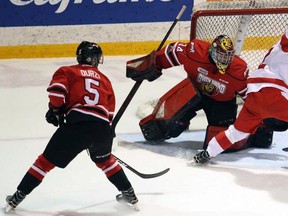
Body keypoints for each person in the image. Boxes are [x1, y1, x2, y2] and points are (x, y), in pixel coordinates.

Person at [4, 41, 139, 213]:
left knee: (44, 163)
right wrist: (100, 135)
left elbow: (57, 92)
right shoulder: (105, 79)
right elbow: (109, 112)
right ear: (94, 59)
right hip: (102, 129)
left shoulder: (67, 71)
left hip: (77, 127)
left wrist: (55, 109)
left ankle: (17, 197)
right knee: (105, 161)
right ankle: (130, 195)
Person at [127, 34, 273, 152]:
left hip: (221, 104)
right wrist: (152, 64)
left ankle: (254, 136)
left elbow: (250, 96)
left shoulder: (238, 70)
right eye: (222, 57)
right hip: (192, 91)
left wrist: (264, 115)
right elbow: (171, 53)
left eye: (229, 57)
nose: (226, 61)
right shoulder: (195, 51)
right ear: (213, 52)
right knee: (157, 130)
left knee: (219, 143)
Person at [192, 31, 288, 164]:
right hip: (273, 93)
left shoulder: (277, 52)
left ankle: (207, 154)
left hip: (254, 97)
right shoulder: (284, 47)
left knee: (235, 133)